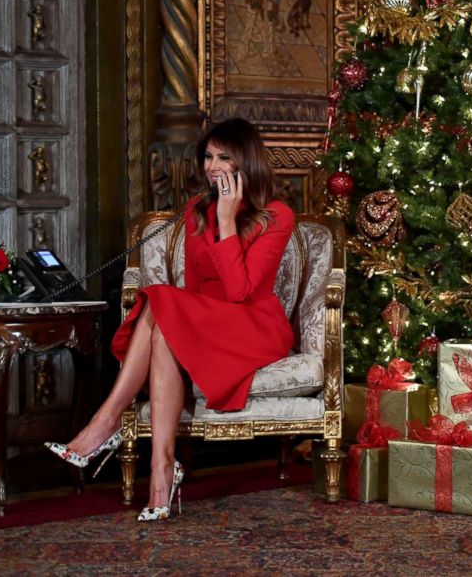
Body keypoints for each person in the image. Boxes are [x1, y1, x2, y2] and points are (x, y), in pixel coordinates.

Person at [45, 118, 295, 522]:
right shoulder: (198, 210)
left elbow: (239, 292)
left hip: (254, 327)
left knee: (161, 302)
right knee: (165, 326)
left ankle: (106, 422)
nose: (213, 167)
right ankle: (161, 478)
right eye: (209, 157)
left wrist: (229, 221)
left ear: (245, 162)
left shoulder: (277, 215)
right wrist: (186, 322)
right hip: (206, 319)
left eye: (224, 157)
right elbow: (196, 286)